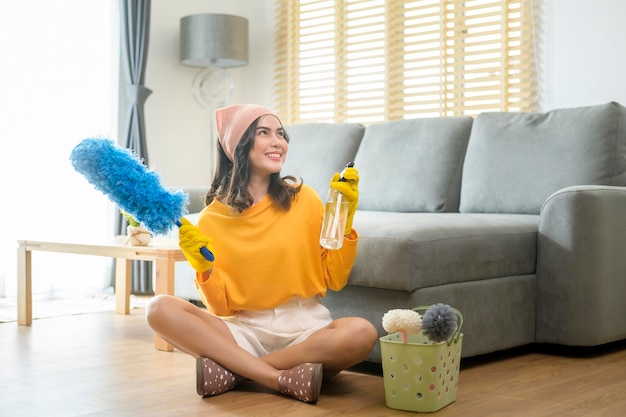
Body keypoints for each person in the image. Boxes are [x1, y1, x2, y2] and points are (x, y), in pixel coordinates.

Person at [145, 104, 378, 404]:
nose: (277, 142)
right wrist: (203, 268)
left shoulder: (304, 200)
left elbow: (334, 278)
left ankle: (237, 371)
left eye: (280, 134)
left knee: (361, 332)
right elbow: (220, 308)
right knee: (158, 309)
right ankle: (279, 377)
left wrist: (344, 222)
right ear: (240, 146)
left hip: (305, 332)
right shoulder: (211, 220)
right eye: (264, 133)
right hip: (244, 332)